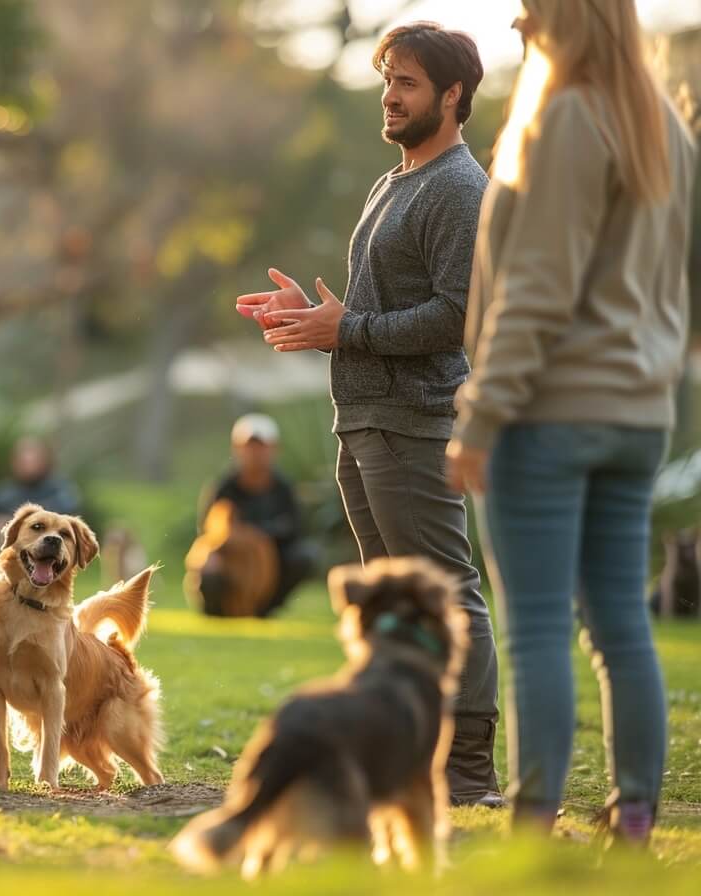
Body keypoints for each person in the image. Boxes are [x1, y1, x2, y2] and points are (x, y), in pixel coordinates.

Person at [446, 0, 696, 843]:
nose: (517, 26)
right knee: (623, 625)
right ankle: (632, 821)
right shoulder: (668, 128)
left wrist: (480, 416)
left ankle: (531, 826)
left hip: (546, 415)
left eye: (528, 9)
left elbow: (537, 292)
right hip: (638, 420)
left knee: (540, 630)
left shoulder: (564, 118)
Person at [236, 22, 501, 806]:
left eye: (408, 82)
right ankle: (405, 755)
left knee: (448, 593)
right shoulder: (396, 180)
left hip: (414, 425)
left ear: (452, 96)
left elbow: (456, 316)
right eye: (387, 78)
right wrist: (316, 318)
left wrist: (343, 328)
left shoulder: (460, 188)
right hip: (363, 421)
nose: (389, 94)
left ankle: (470, 773)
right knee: (389, 599)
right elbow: (388, 309)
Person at [195, 414, 315, 616]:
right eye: (249, 447)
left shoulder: (283, 488)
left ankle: (265, 609)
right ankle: (218, 612)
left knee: (304, 556)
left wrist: (259, 541)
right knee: (209, 564)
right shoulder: (224, 487)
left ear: (274, 449)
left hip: (272, 560)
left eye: (262, 447)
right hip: (232, 558)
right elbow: (207, 531)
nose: (255, 453)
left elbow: (295, 529)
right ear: (237, 448)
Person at [0, 436, 82, 532]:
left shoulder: (59, 489)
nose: (28, 466)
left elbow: (67, 513)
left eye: (33, 460)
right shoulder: (1, 493)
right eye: (24, 461)